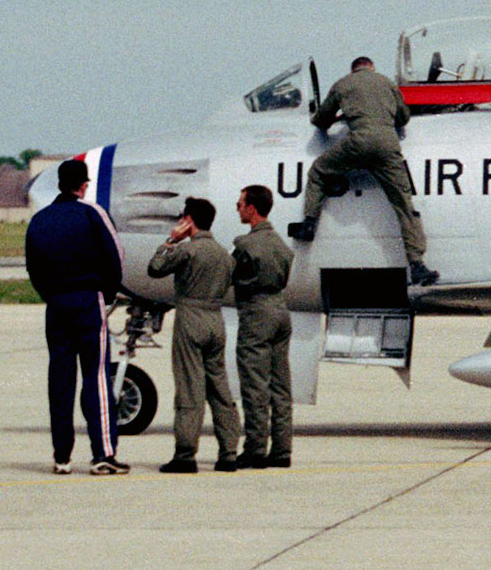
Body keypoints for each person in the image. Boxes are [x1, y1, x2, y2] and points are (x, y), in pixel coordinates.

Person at [290, 56, 439, 286]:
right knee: (403, 204)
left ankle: (309, 224)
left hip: (358, 142)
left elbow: (321, 120)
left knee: (319, 171)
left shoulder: (343, 84)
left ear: (354, 70)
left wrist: (342, 116)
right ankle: (417, 265)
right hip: (388, 146)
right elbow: (403, 117)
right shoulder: (387, 83)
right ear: (372, 67)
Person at [25, 158, 128, 475]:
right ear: (83, 185)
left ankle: (61, 457)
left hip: (55, 304)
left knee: (60, 380)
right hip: (87, 301)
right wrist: (107, 295)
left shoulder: (39, 220)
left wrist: (51, 296)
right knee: (95, 377)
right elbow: (116, 258)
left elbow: (33, 267)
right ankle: (103, 453)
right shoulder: (91, 212)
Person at [147, 197, 240, 473]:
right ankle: (229, 452)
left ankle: (185, 454)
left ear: (190, 221)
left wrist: (170, 241)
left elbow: (155, 268)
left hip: (191, 317)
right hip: (215, 319)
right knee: (219, 387)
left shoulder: (188, 251)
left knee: (190, 387)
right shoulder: (224, 253)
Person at [232, 184, 295, 469]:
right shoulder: (281, 244)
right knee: (280, 385)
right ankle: (282, 449)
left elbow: (230, 276)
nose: (238, 208)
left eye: (241, 203)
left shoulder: (246, 246)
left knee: (255, 384)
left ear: (252, 208)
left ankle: (256, 448)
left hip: (257, 313)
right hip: (281, 311)